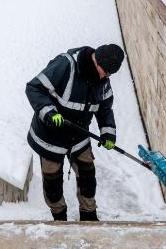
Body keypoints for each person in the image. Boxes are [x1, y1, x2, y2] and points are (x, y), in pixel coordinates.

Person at [26, 44, 125, 222]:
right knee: (52, 183)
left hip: (78, 136)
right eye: (106, 72)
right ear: (98, 61)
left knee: (88, 177)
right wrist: (49, 112)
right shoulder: (66, 65)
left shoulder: (102, 81)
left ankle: (88, 217)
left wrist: (108, 132)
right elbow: (34, 88)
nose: (107, 76)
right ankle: (59, 218)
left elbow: (104, 109)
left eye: (110, 74)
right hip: (51, 135)